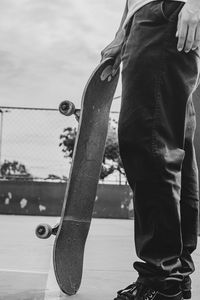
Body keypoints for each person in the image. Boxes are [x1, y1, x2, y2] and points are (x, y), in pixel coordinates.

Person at [101, 0, 200, 299]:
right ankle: (175, 275)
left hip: (163, 14)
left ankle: (161, 278)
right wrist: (123, 31)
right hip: (155, 17)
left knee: (147, 140)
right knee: (172, 146)